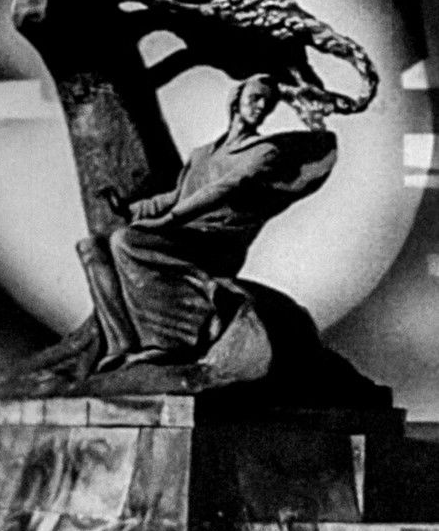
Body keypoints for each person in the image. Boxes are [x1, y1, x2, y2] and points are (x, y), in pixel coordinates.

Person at [77, 74, 337, 370]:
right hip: (183, 234)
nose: (261, 107)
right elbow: (176, 196)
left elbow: (223, 190)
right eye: (255, 98)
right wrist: (130, 209)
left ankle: (168, 341)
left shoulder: (264, 152)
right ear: (236, 101)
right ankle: (120, 342)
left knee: (126, 241)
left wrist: (167, 222)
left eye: (268, 103)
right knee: (92, 247)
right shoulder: (201, 155)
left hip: (215, 243)